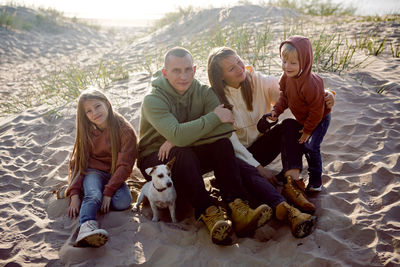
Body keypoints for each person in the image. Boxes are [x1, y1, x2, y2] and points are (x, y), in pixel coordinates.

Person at [137, 47, 316, 245]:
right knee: (182, 151)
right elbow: (183, 135)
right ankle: (209, 212)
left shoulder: (203, 93)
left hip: (187, 151)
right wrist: (195, 127)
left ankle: (238, 208)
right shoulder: (153, 99)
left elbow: (223, 132)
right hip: (155, 159)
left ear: (195, 70)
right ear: (165, 72)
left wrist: (183, 135)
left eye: (188, 69)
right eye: (176, 71)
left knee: (222, 145)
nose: (183, 76)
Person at [207, 47, 335, 212]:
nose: (240, 68)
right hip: (237, 158)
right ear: (220, 76)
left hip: (261, 148)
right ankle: (278, 205)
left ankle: (292, 184)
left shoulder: (257, 79)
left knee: (290, 125)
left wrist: (326, 93)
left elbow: (290, 91)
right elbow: (231, 144)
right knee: (244, 174)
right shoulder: (214, 98)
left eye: (239, 61)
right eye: (232, 68)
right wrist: (259, 168)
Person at [65, 87, 137, 247]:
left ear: (107, 104)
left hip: (114, 173)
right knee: (93, 195)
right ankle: (87, 227)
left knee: (123, 202)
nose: (95, 113)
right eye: (89, 111)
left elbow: (125, 166)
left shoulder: (124, 130)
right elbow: (78, 162)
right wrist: (75, 195)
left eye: (97, 106)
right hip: (92, 171)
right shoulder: (87, 130)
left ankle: (96, 192)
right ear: (85, 116)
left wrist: (109, 191)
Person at [270, 35, 332, 192]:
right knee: (294, 141)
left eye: (293, 63)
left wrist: (307, 131)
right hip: (304, 118)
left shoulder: (311, 83)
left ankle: (316, 180)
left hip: (319, 119)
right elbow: (284, 96)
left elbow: (317, 111)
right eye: (284, 62)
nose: (287, 66)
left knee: (311, 146)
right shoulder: (286, 77)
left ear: (304, 62)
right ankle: (288, 171)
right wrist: (276, 110)